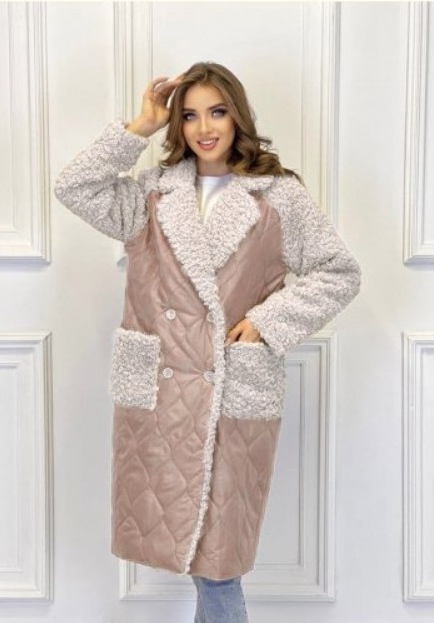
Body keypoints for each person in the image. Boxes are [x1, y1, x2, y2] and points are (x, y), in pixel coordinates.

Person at [54, 61, 361, 622]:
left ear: (237, 115)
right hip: (160, 396)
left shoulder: (278, 196)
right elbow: (74, 186)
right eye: (190, 116)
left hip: (229, 393)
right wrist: (140, 127)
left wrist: (268, 321)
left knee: (220, 567)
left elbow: (339, 272)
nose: (204, 128)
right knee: (205, 569)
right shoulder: (152, 194)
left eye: (217, 111)